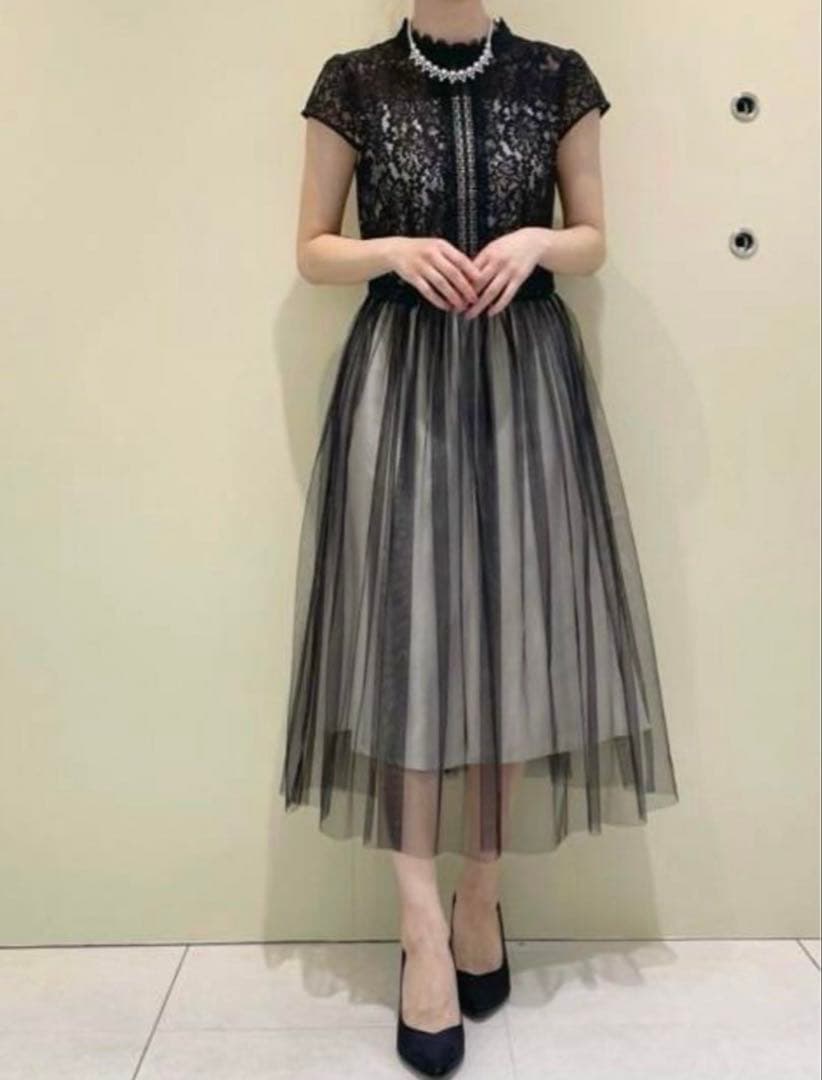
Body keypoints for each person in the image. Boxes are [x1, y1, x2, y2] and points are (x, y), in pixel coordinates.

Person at [280, 2, 680, 1074]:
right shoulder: (353, 80)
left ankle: (479, 894)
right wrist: (393, 250)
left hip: (523, 379)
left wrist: (541, 240)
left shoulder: (557, 75)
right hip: (400, 378)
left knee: (511, 643)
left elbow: (594, 237)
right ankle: (419, 926)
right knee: (407, 651)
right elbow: (311, 251)